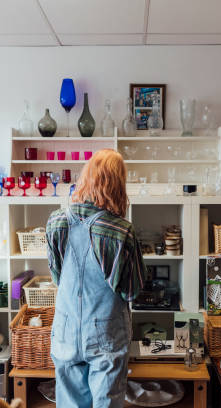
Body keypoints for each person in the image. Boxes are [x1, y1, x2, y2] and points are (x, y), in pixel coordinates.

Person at [46, 149, 145, 407]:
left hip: (65, 328)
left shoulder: (56, 222)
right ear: (117, 184)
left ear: (86, 177)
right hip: (107, 331)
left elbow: (57, 276)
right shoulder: (121, 231)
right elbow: (131, 291)